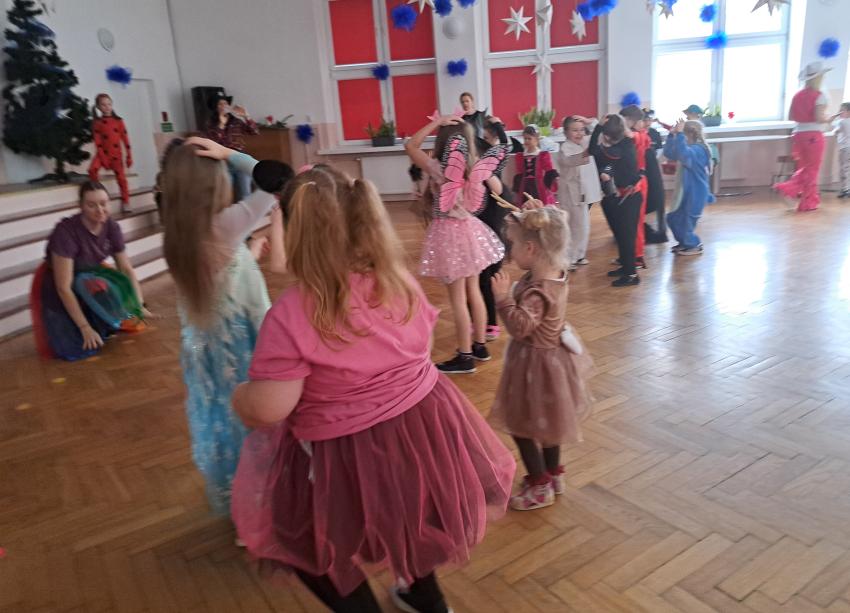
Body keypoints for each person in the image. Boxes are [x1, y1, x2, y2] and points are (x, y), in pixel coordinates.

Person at [230, 165, 515, 613]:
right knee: (413, 517)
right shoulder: (397, 281)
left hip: (346, 451)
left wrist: (242, 396)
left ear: (295, 233)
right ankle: (426, 600)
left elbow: (269, 408)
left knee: (306, 538)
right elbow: (419, 346)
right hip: (422, 433)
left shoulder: (292, 312)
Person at [161, 136, 292, 515]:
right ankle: (261, 507)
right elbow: (280, 179)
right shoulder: (225, 224)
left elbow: (220, 274)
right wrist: (231, 154)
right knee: (256, 422)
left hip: (205, 347)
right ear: (213, 183)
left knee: (225, 420)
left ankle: (241, 503)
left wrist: (249, 252)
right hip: (243, 344)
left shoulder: (177, 233)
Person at [489, 206, 593, 511]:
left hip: (535, 366)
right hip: (550, 362)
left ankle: (539, 486)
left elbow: (520, 327)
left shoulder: (539, 291)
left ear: (531, 249)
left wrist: (503, 298)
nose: (510, 252)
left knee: (521, 425)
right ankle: (552, 474)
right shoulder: (554, 275)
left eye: (513, 244)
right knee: (549, 423)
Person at [405, 113, 508, 374]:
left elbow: (411, 145)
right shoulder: (474, 167)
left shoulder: (438, 168)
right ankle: (479, 346)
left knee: (458, 299)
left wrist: (436, 122)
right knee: (474, 291)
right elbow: (498, 189)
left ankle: (465, 356)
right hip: (471, 231)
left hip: (449, 234)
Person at [30, 181, 150, 361]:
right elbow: (63, 287)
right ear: (81, 206)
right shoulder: (65, 232)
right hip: (59, 286)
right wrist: (84, 327)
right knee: (76, 347)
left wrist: (139, 305)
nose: (100, 210)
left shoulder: (112, 226)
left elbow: (125, 268)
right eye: (91, 205)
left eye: (103, 203)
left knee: (113, 325)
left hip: (89, 278)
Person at [590, 115, 643, 287]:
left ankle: (631, 275)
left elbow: (593, 150)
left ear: (606, 136)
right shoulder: (626, 144)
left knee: (626, 237)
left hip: (628, 198)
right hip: (627, 197)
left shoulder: (613, 152)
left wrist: (598, 127)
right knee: (622, 235)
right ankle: (626, 267)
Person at [774, 62, 834, 212]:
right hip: (813, 136)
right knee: (812, 169)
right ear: (819, 78)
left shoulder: (797, 95)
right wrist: (829, 119)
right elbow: (819, 118)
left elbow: (791, 116)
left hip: (799, 135)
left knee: (806, 167)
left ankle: (802, 196)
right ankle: (799, 195)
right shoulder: (819, 96)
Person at [475, 119, 513, 341]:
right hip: (482, 233)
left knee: (488, 279)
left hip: (493, 234)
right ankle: (485, 320)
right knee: (481, 281)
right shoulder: (478, 175)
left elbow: (498, 191)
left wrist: (499, 127)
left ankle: (491, 322)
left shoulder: (491, 172)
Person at [664, 120, 715, 256]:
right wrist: (671, 136)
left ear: (689, 134)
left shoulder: (699, 150)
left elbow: (684, 156)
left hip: (695, 193)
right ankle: (684, 243)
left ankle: (693, 244)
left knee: (687, 222)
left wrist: (680, 135)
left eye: (683, 134)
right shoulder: (688, 147)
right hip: (684, 192)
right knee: (673, 218)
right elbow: (670, 154)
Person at [557, 115, 602, 269]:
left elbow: (598, 134)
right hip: (570, 194)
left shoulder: (584, 142)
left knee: (583, 225)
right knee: (572, 226)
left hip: (583, 193)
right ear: (566, 132)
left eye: (582, 130)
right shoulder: (565, 148)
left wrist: (589, 121)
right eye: (574, 130)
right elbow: (570, 160)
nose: (579, 133)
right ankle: (568, 258)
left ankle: (579, 255)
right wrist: (586, 153)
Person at [205, 93, 259, 202]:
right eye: (220, 104)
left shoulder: (236, 121)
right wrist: (221, 125)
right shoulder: (210, 124)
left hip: (239, 158)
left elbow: (254, 131)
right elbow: (213, 143)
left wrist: (246, 116)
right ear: (216, 107)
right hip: (222, 162)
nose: (224, 106)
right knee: (224, 195)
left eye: (225, 103)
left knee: (244, 194)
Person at [89, 94, 132, 214]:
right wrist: (103, 158)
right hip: (102, 154)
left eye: (109, 104)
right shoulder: (97, 123)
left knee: (122, 179)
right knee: (92, 169)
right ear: (98, 107)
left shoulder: (119, 121)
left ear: (112, 105)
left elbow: (126, 140)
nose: (107, 107)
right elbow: (98, 143)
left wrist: (129, 156)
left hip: (116, 155)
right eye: (103, 105)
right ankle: (97, 196)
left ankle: (126, 202)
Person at [620, 105, 650, 269]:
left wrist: (630, 131)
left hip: (637, 184)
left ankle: (637, 256)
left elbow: (636, 137)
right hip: (627, 183)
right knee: (626, 222)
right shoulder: (632, 134)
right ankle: (628, 254)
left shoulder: (641, 135)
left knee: (636, 221)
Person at [512, 125, 558, 206]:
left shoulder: (542, 155)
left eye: (529, 138)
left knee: (540, 206)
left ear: (536, 139)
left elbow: (549, 170)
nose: (527, 141)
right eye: (525, 139)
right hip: (525, 187)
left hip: (539, 187)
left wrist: (550, 184)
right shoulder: (520, 156)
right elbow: (520, 172)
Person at [642, 109, 668, 244]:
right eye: (645, 120)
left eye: (650, 120)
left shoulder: (654, 133)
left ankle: (661, 231)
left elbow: (659, 151)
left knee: (658, 198)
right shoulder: (635, 134)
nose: (648, 122)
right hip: (641, 171)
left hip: (653, 171)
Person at [832, 102, 850, 199]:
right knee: (847, 168)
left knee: (844, 169)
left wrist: (834, 118)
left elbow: (835, 131)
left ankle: (845, 189)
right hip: (847, 148)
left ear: (849, 112)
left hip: (845, 148)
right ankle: (847, 188)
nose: (839, 112)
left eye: (842, 110)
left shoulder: (842, 122)